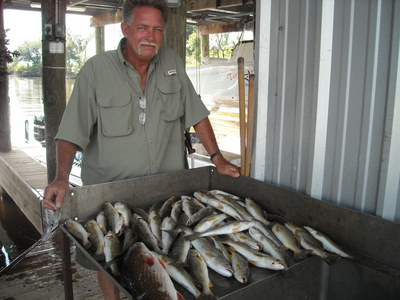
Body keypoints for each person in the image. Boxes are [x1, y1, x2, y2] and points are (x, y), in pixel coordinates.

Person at [43, 0, 240, 299]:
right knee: (109, 260)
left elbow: (197, 114)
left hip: (165, 192)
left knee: (167, 255)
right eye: (142, 28)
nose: (150, 36)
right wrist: (60, 178)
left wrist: (218, 158)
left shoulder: (172, 62)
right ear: (125, 30)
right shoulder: (96, 70)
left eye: (158, 29)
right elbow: (71, 132)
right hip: (110, 194)